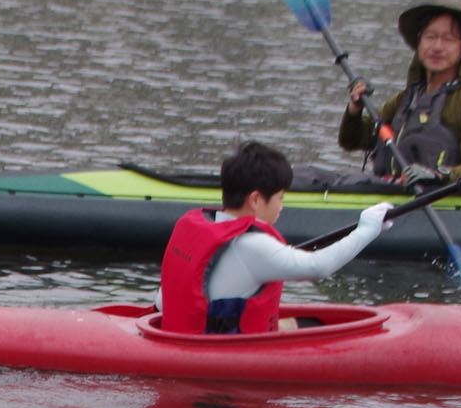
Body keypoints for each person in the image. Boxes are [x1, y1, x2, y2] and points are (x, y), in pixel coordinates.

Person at [159, 141, 392, 335]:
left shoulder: (196, 225)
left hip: (185, 334)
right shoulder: (252, 245)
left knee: (307, 323)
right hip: (225, 350)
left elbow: (162, 300)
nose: (281, 207)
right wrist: (367, 230)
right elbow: (318, 266)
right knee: (314, 327)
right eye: (280, 198)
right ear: (256, 200)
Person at [339, 0, 461, 181]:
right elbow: (351, 141)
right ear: (419, 41)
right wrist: (355, 108)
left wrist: (438, 176)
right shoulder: (410, 97)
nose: (437, 47)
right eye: (430, 37)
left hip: (438, 201)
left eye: (449, 39)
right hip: (390, 194)